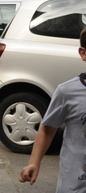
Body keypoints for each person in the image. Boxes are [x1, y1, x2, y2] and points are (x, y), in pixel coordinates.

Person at [19, 26, 86, 191]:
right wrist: (34, 162)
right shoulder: (67, 92)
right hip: (74, 185)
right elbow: (48, 129)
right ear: (83, 53)